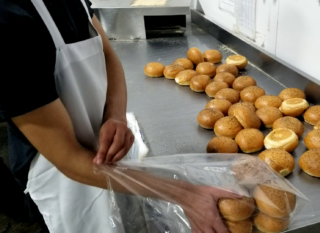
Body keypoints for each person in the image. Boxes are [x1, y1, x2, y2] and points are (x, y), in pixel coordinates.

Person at [0, 0, 238, 232]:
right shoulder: (8, 21)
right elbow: (67, 158)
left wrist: (115, 116)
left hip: (110, 151)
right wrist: (186, 194)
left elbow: (108, 55)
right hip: (63, 176)